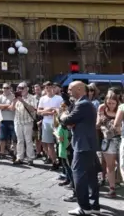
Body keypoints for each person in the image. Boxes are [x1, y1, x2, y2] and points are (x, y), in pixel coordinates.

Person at [60, 81, 100, 216]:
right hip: (87, 144)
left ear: (79, 89)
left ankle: (84, 207)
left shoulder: (82, 104)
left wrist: (63, 116)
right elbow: (71, 123)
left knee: (78, 174)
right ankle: (94, 206)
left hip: (82, 145)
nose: (69, 92)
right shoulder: (85, 104)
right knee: (90, 175)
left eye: (70, 89)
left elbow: (66, 120)